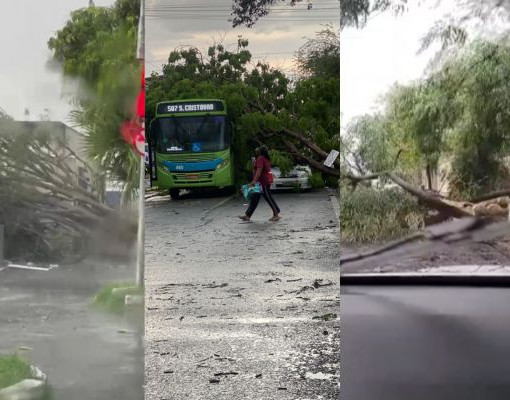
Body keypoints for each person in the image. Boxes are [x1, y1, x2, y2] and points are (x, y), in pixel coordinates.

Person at [239, 146, 281, 222]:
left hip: (262, 183)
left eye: (257, 151)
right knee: (254, 199)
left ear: (260, 152)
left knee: (268, 198)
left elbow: (259, 169)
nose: (256, 152)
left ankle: (276, 214)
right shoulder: (266, 158)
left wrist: (254, 180)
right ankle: (247, 215)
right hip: (262, 182)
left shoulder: (260, 158)